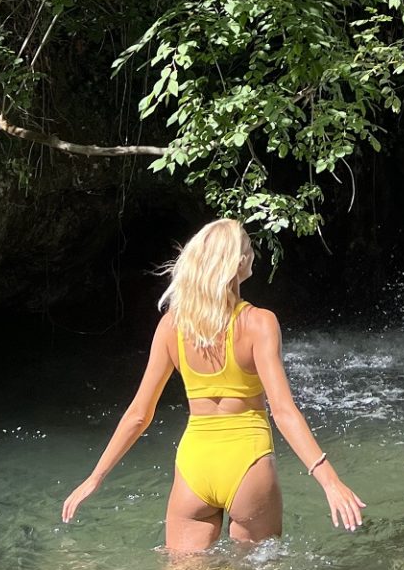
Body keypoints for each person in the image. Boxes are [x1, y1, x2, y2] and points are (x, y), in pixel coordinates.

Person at [60, 218, 365, 549]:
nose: (252, 255)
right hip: (248, 461)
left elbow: (138, 414)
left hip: (195, 464)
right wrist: (330, 481)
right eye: (248, 249)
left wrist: (96, 477)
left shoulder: (172, 327)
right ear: (238, 263)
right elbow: (284, 411)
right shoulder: (260, 323)